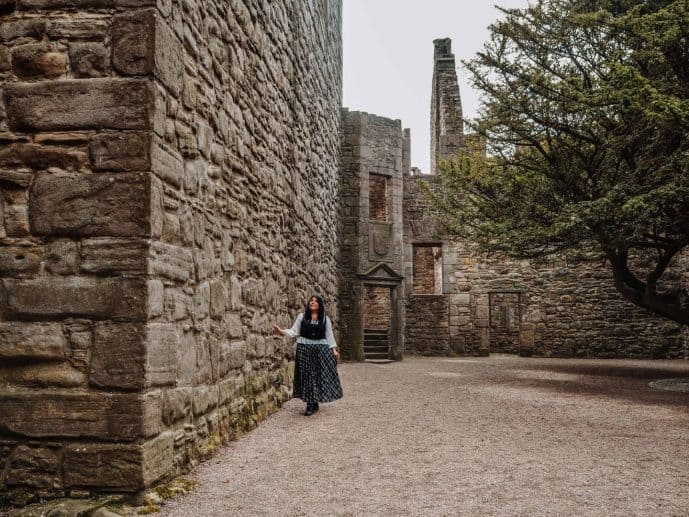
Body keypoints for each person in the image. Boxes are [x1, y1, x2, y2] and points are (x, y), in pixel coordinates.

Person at [273, 294, 343, 416]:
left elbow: (329, 336)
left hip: (320, 350)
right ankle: (311, 404)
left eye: (315, 301)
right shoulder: (302, 317)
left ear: (319, 305)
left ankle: (314, 401)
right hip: (304, 349)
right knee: (307, 375)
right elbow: (294, 331)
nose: (312, 302)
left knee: (317, 375)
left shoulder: (325, 319)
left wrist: (334, 351)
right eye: (311, 300)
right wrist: (282, 332)